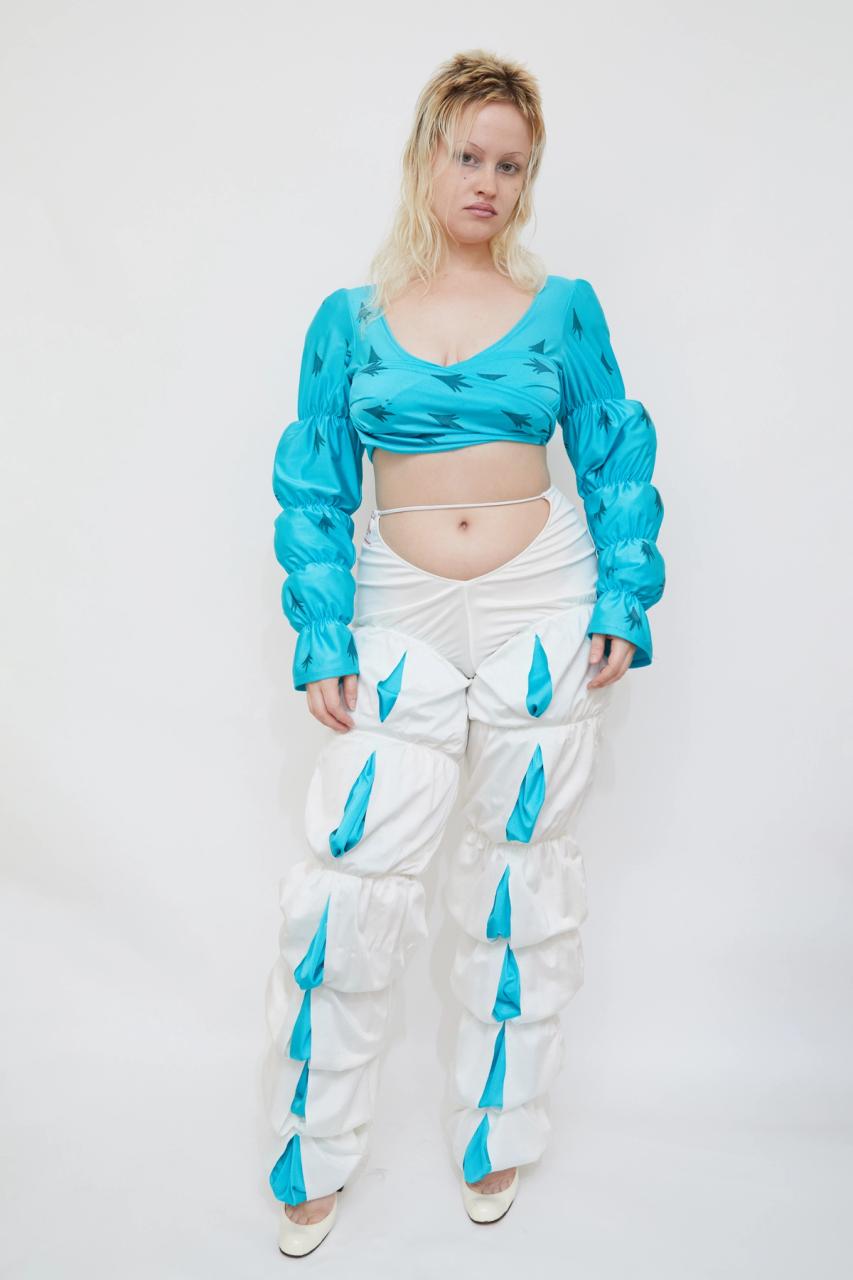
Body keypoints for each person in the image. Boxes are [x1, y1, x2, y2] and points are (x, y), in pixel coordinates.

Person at [262, 48, 666, 1257]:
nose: (488, 182)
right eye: (469, 156)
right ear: (426, 158)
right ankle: (313, 1148)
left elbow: (613, 451)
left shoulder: (563, 308)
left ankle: (497, 1130)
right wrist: (323, 634)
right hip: (398, 613)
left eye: (512, 165)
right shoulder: (347, 320)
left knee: (518, 879)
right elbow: (315, 485)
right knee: (352, 877)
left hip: (543, 601)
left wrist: (623, 595)